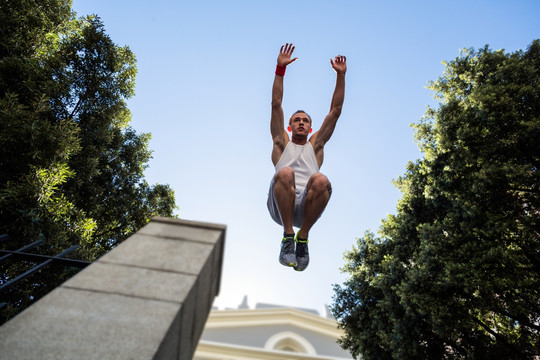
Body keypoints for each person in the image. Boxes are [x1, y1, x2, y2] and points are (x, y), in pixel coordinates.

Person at [267, 43, 347, 271]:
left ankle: (302, 239)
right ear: (290, 126)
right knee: (285, 172)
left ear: (310, 128)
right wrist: (280, 69)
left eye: (305, 121)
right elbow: (275, 104)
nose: (301, 122)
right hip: (281, 206)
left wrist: (341, 76)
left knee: (321, 179)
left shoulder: (316, 146)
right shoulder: (281, 144)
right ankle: (288, 237)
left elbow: (336, 111)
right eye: (297, 120)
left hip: (308, 206)